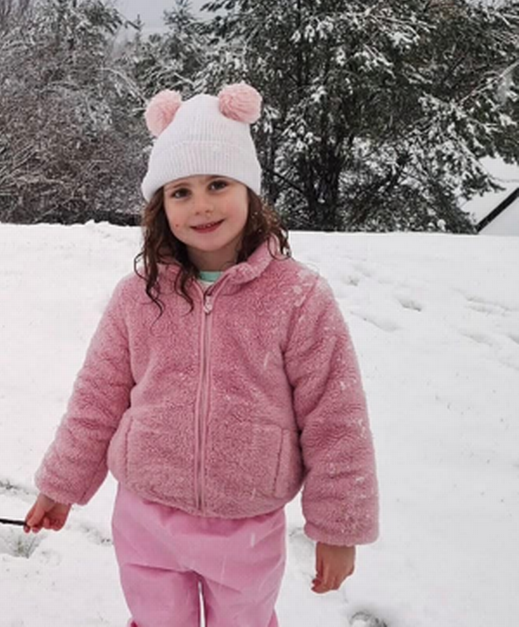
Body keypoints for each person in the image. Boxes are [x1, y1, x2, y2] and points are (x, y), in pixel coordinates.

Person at [24, 84, 379, 627]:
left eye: (217, 184)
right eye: (180, 192)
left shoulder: (299, 297)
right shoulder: (137, 296)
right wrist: (61, 485)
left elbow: (335, 417)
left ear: (249, 191)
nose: (201, 205)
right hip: (146, 515)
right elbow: (96, 398)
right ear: (160, 206)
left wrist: (339, 527)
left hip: (247, 521)